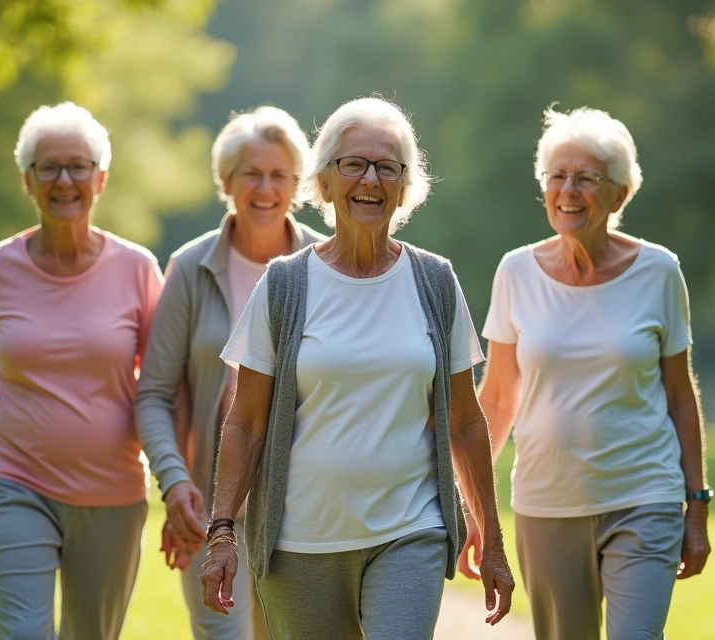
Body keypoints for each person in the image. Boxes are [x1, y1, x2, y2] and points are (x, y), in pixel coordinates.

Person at [199, 96, 515, 639]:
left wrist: (491, 538)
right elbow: (246, 422)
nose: (370, 178)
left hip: (410, 530)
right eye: (353, 164)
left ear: (403, 187)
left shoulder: (435, 282)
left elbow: (464, 420)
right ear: (324, 183)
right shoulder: (283, 285)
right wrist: (223, 531)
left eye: (387, 167)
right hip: (301, 541)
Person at [463, 106, 712, 640]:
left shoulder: (660, 272)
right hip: (547, 503)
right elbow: (499, 398)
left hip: (645, 497)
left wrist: (697, 507)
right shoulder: (516, 272)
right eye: (557, 176)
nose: (568, 190)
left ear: (620, 193)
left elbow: (679, 396)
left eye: (585, 178)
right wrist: (476, 511)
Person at [0, 102, 163, 640]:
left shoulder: (138, 270)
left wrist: (179, 487)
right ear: (28, 181)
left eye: (78, 166)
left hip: (112, 491)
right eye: (49, 167)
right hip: (12, 479)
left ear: (100, 178)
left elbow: (159, 389)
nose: (65, 180)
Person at [135, 105, 325, 640]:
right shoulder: (191, 269)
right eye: (252, 174)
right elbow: (152, 394)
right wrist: (174, 486)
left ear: (298, 184)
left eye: (279, 175)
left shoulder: (325, 265)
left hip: (305, 509)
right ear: (226, 181)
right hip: (210, 506)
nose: (265, 188)